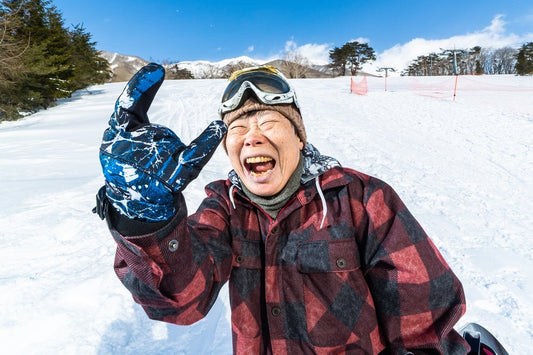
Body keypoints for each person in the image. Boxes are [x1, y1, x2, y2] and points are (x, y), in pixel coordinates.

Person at [94, 63, 470, 354]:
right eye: (237, 129)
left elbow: (425, 321)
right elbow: (180, 303)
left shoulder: (361, 198)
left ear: (300, 137)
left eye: (270, 122)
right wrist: (145, 218)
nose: (252, 136)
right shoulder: (223, 206)